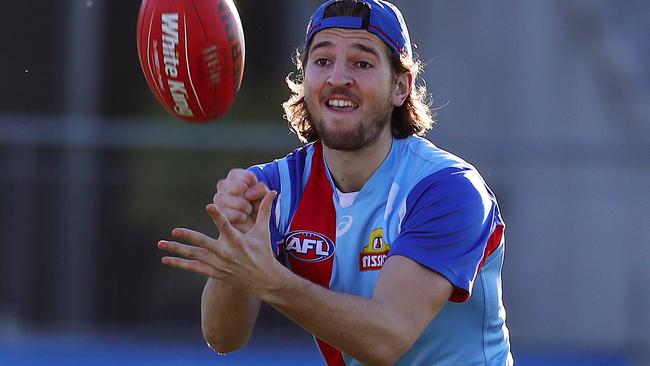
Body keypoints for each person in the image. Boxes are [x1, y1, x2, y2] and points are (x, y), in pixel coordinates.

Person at [157, 0, 513, 365]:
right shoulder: (273, 188)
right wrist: (237, 249)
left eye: (362, 63)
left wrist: (271, 281)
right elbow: (223, 337)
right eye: (323, 61)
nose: (338, 78)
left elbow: (387, 338)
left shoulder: (447, 188)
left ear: (400, 87)